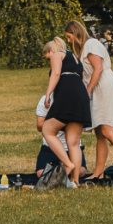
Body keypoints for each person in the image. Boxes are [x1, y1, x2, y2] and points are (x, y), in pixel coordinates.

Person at [65, 20, 113, 179]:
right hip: (98, 87)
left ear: (76, 33)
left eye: (69, 36)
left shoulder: (91, 43)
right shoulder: (84, 49)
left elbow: (98, 68)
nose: (68, 40)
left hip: (103, 86)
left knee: (107, 130)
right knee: (100, 132)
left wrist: (88, 90)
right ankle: (98, 173)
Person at [41, 37, 92, 187]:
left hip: (67, 95)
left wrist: (48, 94)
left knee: (47, 130)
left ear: (51, 50)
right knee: (73, 143)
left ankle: (68, 164)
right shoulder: (76, 59)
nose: (49, 59)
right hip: (81, 97)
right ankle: (74, 181)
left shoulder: (57, 55)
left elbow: (56, 74)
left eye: (47, 56)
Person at [36, 93, 86, 178]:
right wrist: (55, 123)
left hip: (71, 147)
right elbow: (39, 126)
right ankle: (61, 172)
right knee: (40, 173)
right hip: (49, 147)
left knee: (81, 172)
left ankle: (59, 173)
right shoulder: (46, 100)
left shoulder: (75, 101)